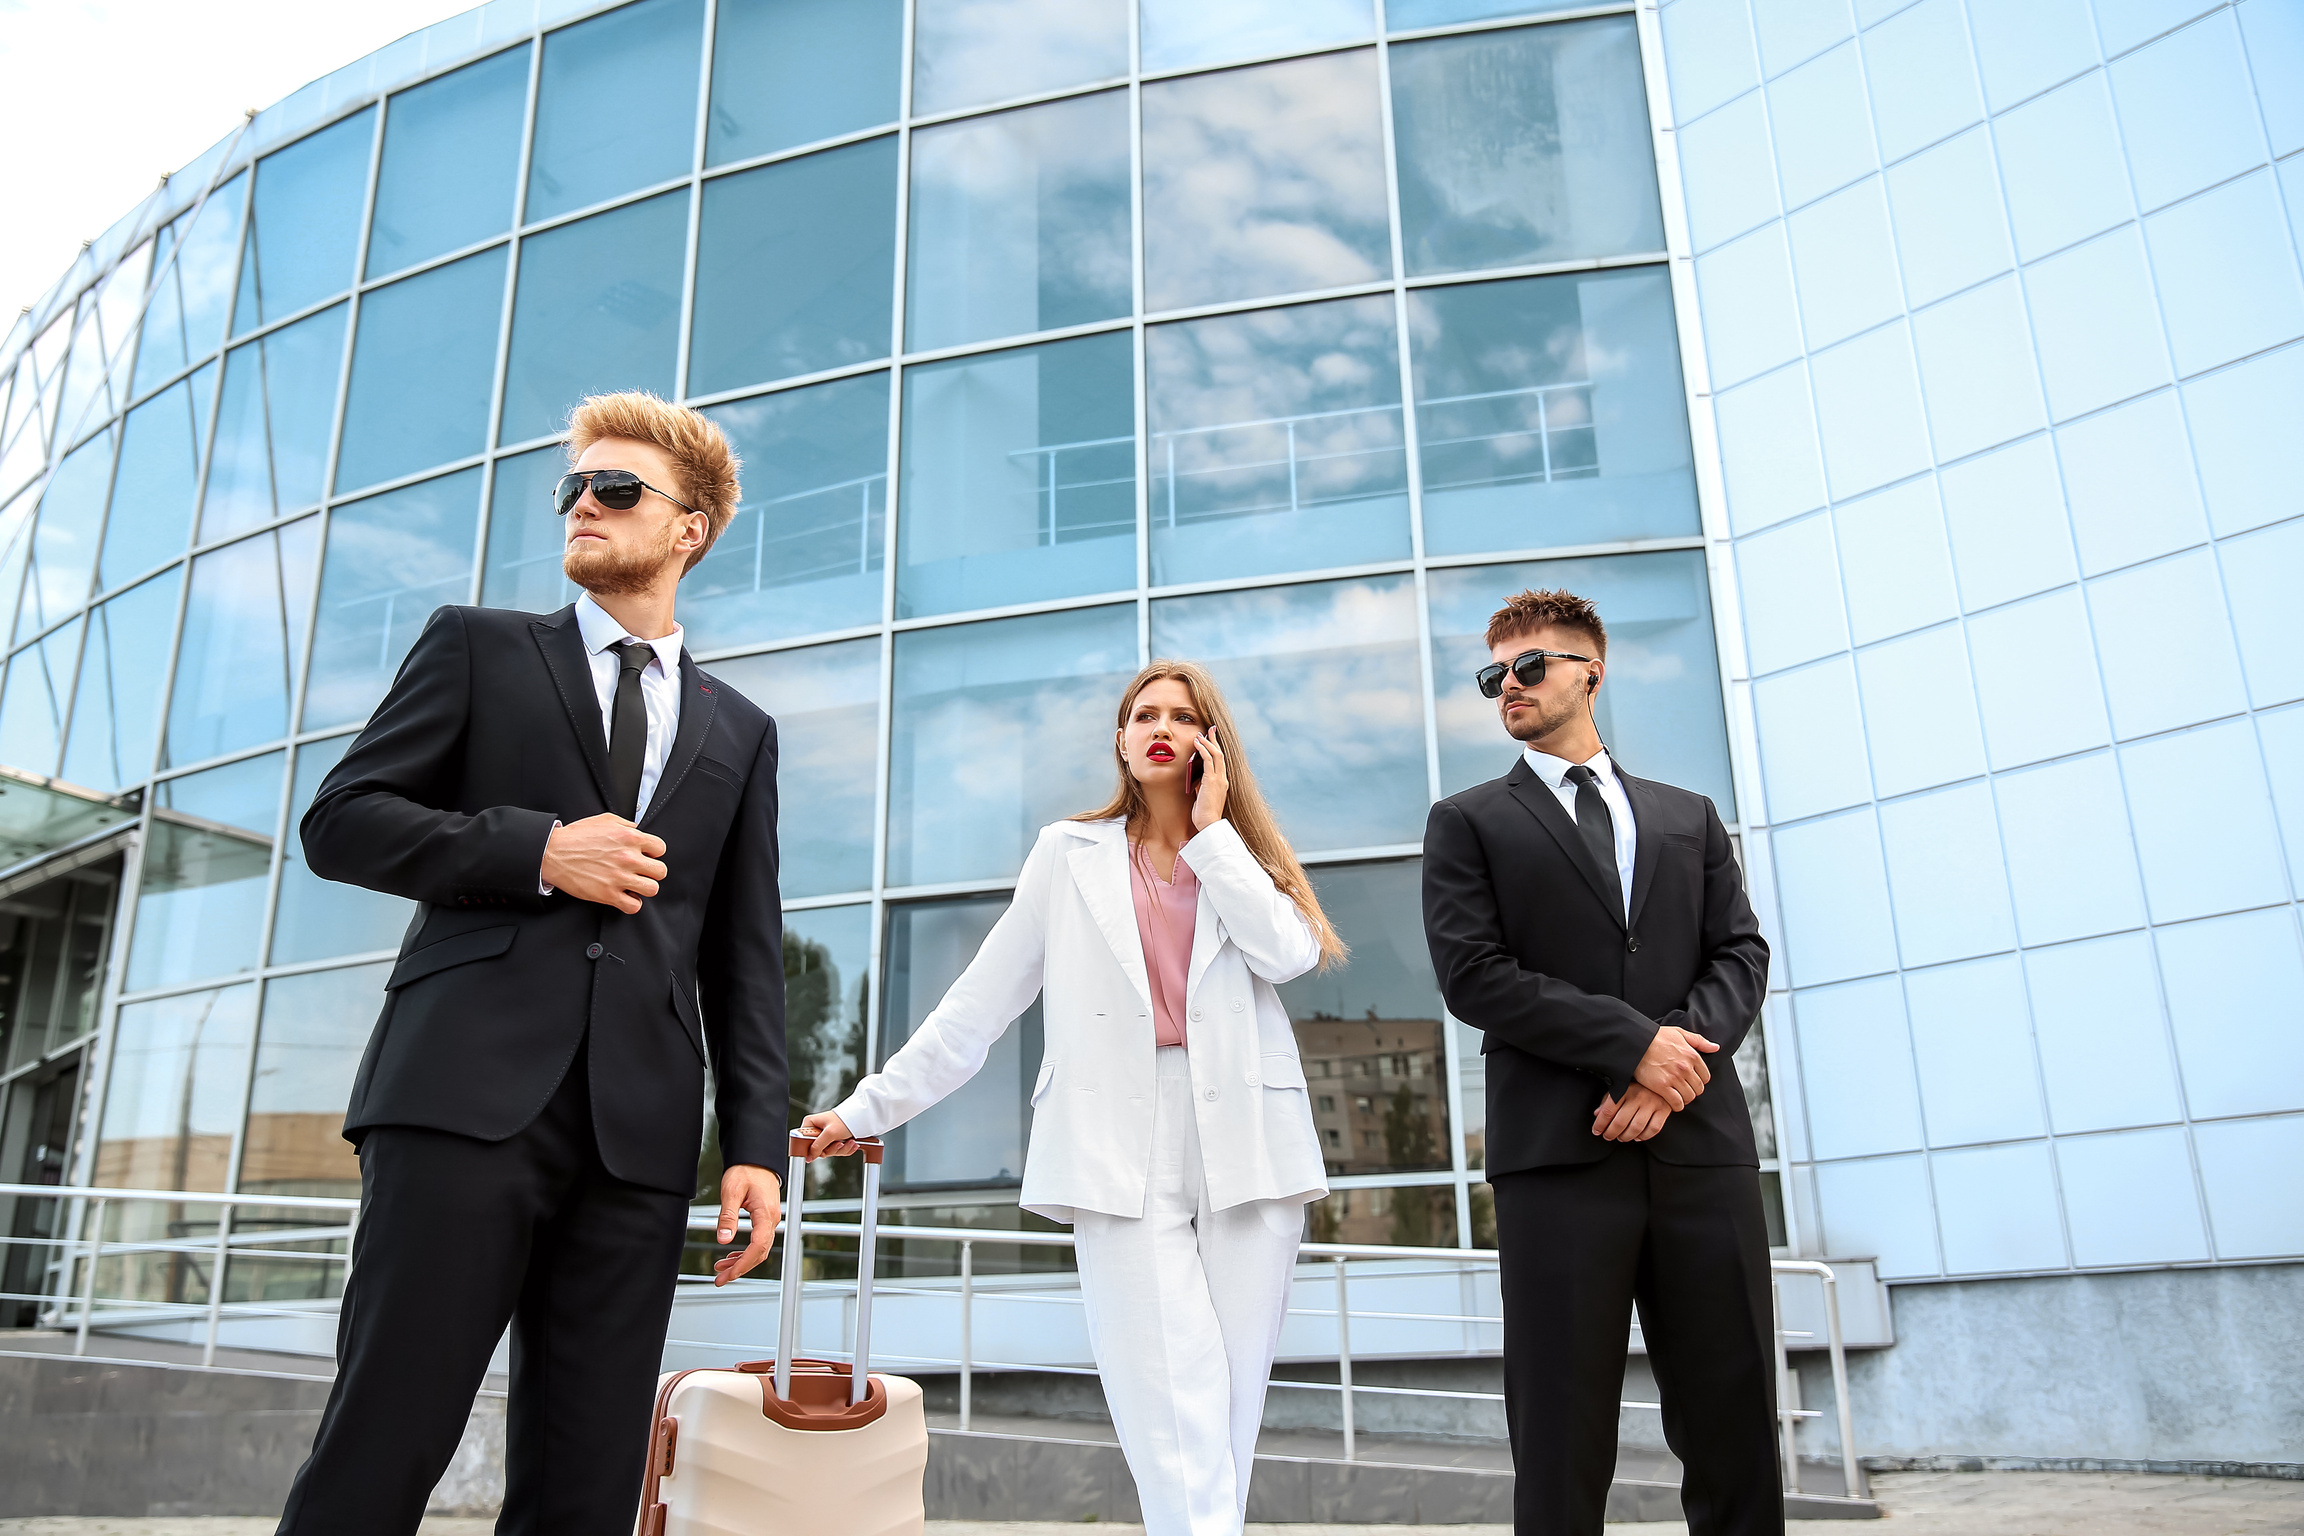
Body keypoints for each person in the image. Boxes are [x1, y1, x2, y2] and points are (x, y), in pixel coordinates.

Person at [274, 392, 788, 1536]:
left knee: (587, 1473)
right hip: (460, 1098)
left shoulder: (739, 728)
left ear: (689, 529)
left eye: (616, 490)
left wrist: (756, 1147)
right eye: (573, 489)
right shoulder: (478, 646)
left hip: (638, 1132)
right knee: (388, 1430)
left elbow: (744, 955)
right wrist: (540, 850)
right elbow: (342, 821)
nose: (583, 507)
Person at [801, 662, 1343, 1536]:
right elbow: (977, 1006)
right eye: (1143, 715)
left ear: (1212, 743)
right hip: (1113, 1137)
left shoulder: (1237, 857)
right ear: (1121, 740)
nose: (1160, 727)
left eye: (1182, 716)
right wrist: (868, 1109)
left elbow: (1286, 956)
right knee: (1166, 1392)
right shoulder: (1068, 854)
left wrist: (1211, 836)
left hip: (1248, 1133)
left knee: (1230, 1399)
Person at [1421, 588, 1775, 1536]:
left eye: (1531, 665)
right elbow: (1474, 977)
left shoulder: (1687, 817)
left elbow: (1740, 954)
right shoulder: (1468, 821)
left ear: (1591, 671)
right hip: (1559, 1161)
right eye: (1494, 674)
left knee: (1734, 1414)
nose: (1509, 686)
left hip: (1699, 1150)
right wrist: (1632, 1050)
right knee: (1561, 1431)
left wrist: (1673, 1068)